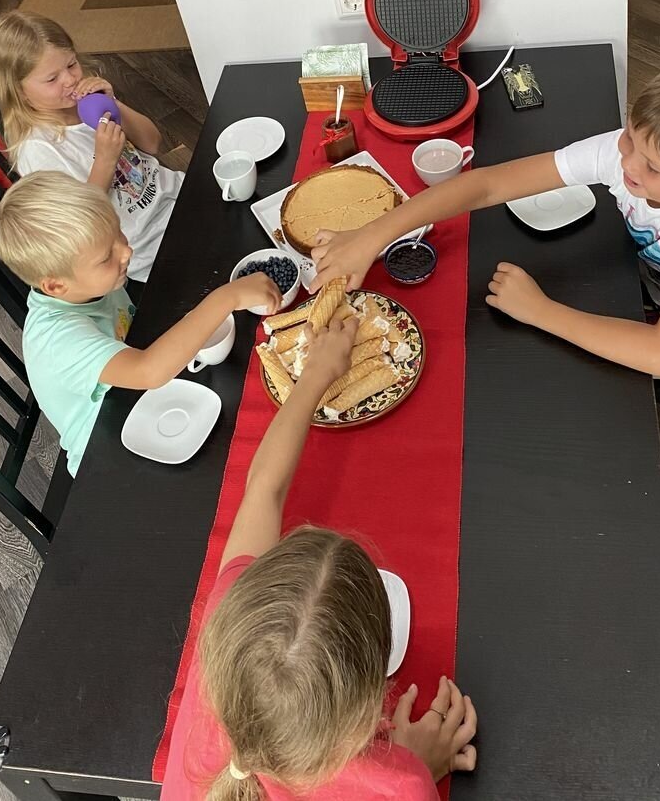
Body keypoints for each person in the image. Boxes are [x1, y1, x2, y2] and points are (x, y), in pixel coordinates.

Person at [312, 52, 660, 382]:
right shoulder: (638, 152)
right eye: (630, 139)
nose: (628, 164)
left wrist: (540, 311)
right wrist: (373, 235)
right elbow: (489, 185)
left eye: (652, 168)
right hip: (652, 272)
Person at [163, 315, 478, 799]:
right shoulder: (401, 788)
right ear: (370, 712)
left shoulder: (228, 620)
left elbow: (264, 491)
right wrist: (416, 762)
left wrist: (314, 377)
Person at [0, 172, 280, 475]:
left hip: (140, 400)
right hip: (106, 457)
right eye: (106, 257)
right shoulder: (58, 341)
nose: (126, 251)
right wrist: (226, 297)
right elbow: (148, 372)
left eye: (118, 233)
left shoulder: (87, 283)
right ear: (56, 286)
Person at [0, 10, 181, 284]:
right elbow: (82, 223)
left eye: (72, 64)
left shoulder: (88, 104)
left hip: (177, 197)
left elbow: (152, 143)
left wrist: (113, 103)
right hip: (146, 248)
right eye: (52, 79)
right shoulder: (38, 151)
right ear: (19, 92)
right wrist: (105, 159)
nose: (70, 79)